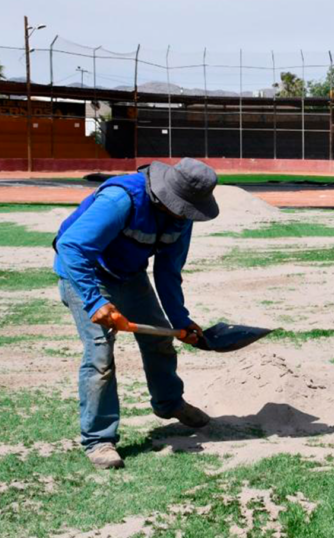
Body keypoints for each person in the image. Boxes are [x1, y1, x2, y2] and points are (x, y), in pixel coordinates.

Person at [54, 158, 219, 470]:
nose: (185, 214)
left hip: (129, 276)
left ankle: (169, 403)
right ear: (167, 194)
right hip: (86, 275)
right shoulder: (121, 199)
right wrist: (95, 302)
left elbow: (169, 270)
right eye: (183, 208)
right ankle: (99, 440)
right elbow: (71, 247)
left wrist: (180, 320)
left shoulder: (182, 217)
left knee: (159, 339)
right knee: (100, 354)